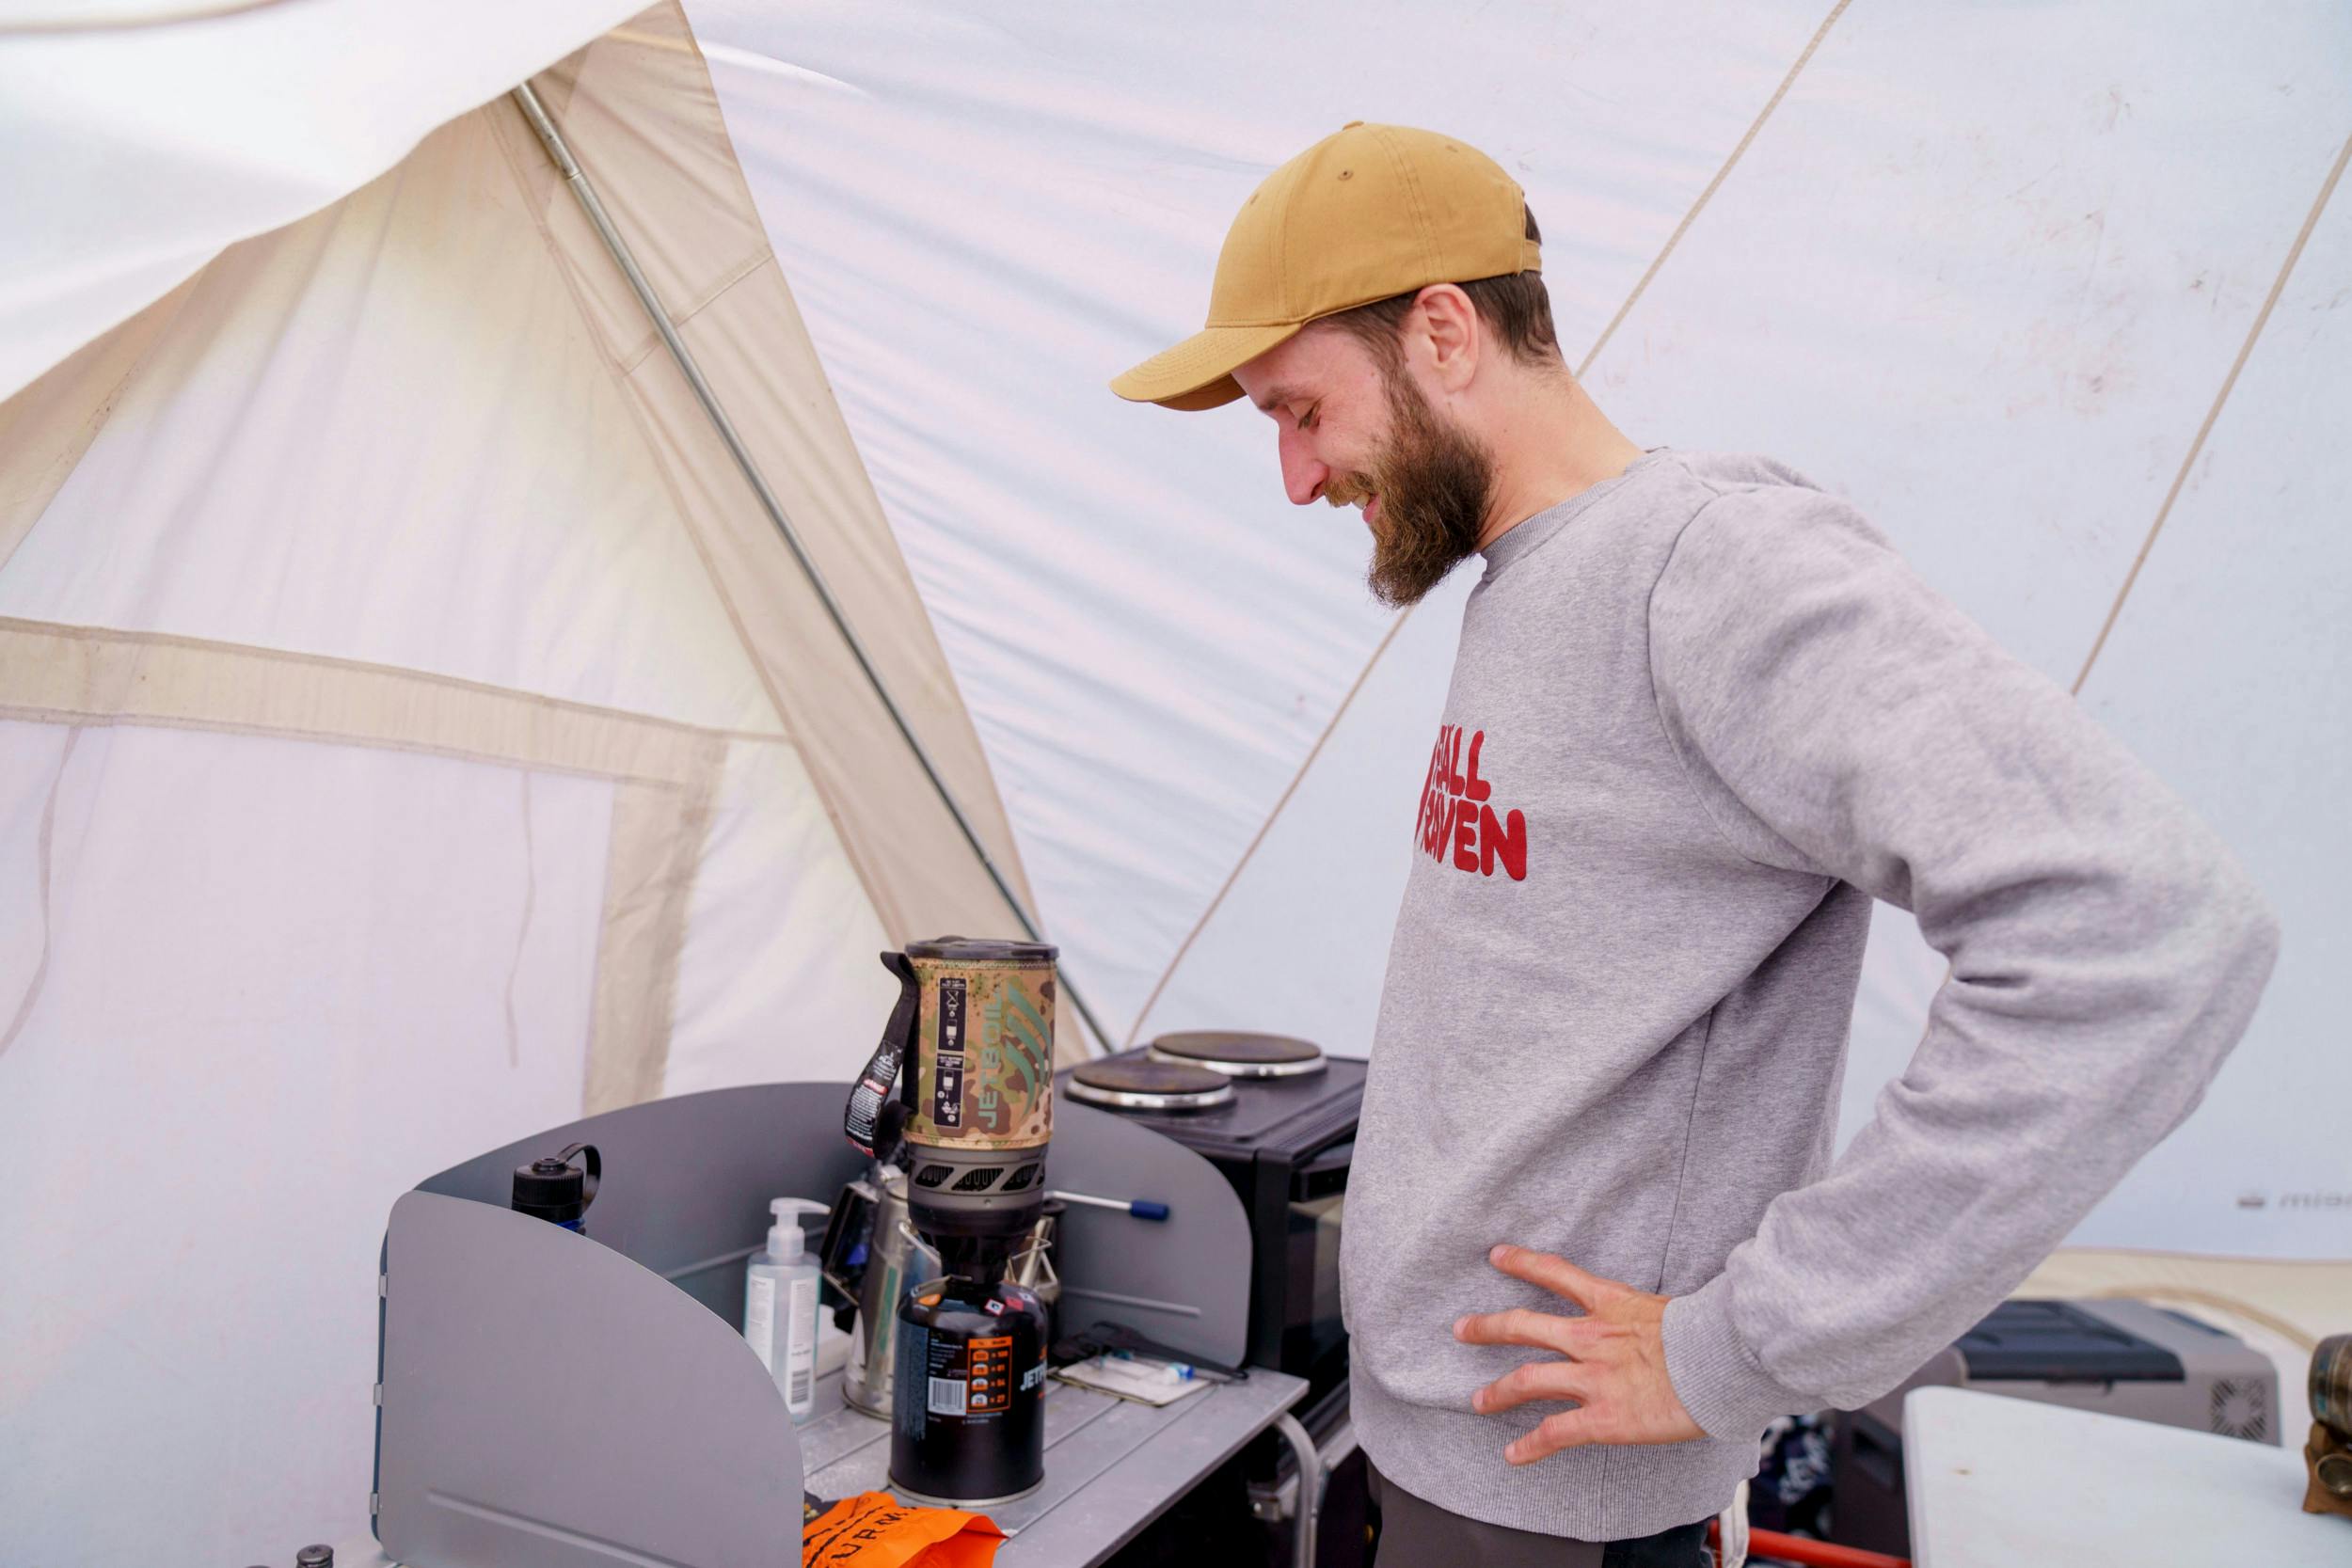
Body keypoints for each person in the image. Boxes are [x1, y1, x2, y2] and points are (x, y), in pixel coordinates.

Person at [1109, 122, 2280, 1566]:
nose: (1296, 477)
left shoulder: (1713, 569)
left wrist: (1742, 1343)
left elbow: (2145, 933)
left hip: (1560, 1501)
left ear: (1444, 331)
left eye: (1302, 411)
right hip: (1444, 1466)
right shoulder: (1535, 578)